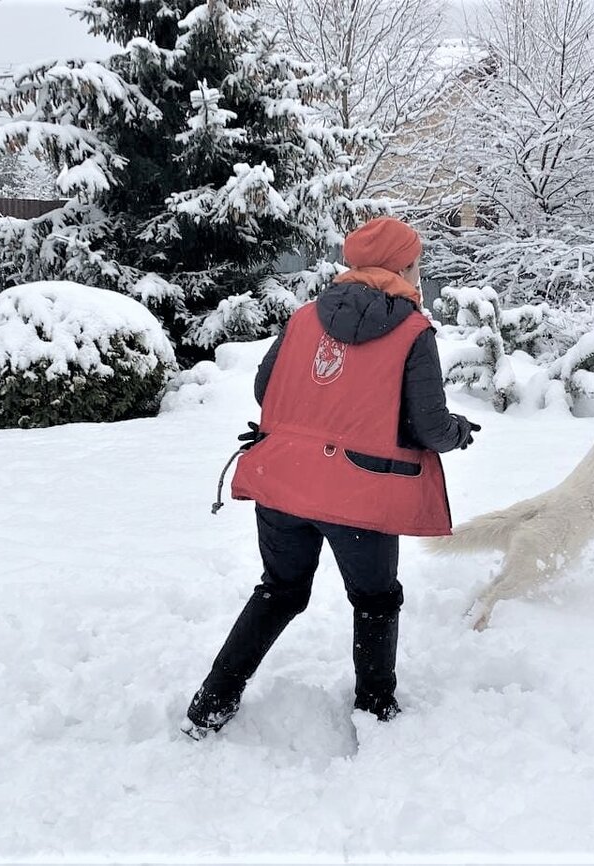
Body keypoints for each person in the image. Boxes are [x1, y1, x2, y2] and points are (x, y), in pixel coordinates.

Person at [181, 216, 480, 738]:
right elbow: (428, 426)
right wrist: (458, 432)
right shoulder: (413, 331)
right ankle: (375, 707)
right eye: (416, 261)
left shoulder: (302, 319)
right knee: (376, 601)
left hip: (286, 482)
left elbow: (265, 389)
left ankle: (213, 701)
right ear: (403, 266)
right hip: (361, 498)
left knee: (279, 591)